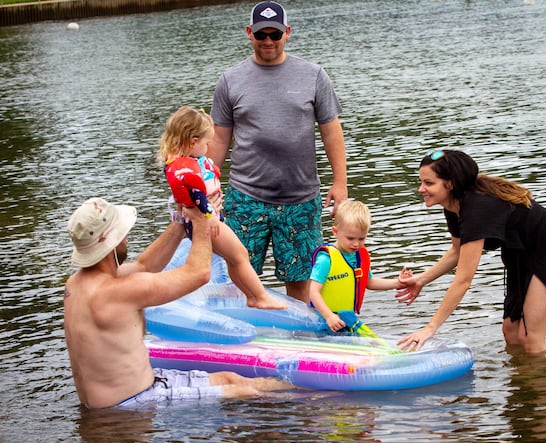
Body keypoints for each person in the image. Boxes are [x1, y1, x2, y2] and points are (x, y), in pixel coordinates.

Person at [64, 197, 294, 409]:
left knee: (231, 378)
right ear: (112, 242)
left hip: (141, 387)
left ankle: (300, 391)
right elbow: (199, 273)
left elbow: (145, 266)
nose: (126, 239)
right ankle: (305, 416)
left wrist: (181, 220)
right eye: (123, 234)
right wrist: (204, 219)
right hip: (130, 403)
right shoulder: (119, 291)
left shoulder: (76, 284)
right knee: (242, 391)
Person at [208, 1, 348, 303]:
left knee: (300, 282)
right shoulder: (230, 80)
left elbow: (331, 131)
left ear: (288, 33)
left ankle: (298, 340)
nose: (268, 41)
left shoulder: (313, 75)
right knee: (237, 276)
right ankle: (244, 342)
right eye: (261, 35)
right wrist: (208, 186)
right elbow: (219, 139)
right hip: (246, 199)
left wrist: (340, 183)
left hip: (301, 200)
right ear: (249, 33)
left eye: (275, 34)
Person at [395, 149, 546, 354]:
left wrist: (430, 328)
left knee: (530, 338)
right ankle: (524, 382)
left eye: (429, 183)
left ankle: (537, 384)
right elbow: (457, 250)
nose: (421, 189)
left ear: (450, 183)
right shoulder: (453, 204)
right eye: (422, 182)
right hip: (520, 254)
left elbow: (463, 280)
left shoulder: (476, 208)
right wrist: (421, 280)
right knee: (511, 331)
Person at [157, 106, 285, 310]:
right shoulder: (186, 167)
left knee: (233, 259)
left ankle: (250, 295)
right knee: (240, 255)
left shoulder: (182, 162)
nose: (208, 148)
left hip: (205, 221)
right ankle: (259, 296)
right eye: (207, 142)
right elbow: (197, 196)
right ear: (193, 142)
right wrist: (210, 217)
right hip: (208, 223)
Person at [310, 200, 412, 332]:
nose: (356, 244)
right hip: (322, 321)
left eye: (361, 239)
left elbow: (369, 282)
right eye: (350, 238)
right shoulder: (326, 259)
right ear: (335, 232)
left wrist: (397, 283)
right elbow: (313, 291)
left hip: (346, 320)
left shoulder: (360, 256)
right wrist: (329, 316)